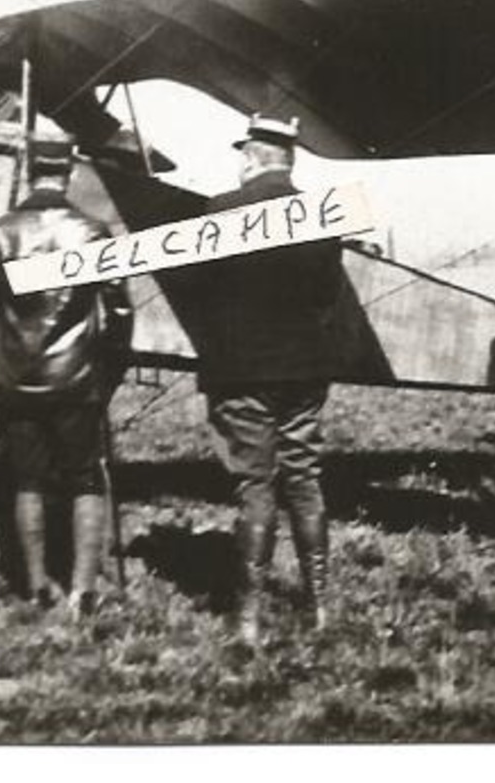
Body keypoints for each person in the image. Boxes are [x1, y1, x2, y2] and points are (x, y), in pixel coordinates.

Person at [196, 114, 346, 641]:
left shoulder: (220, 211)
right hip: (304, 371)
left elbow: (204, 295)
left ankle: (248, 618)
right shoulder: (320, 215)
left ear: (253, 155)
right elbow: (328, 296)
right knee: (304, 479)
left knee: (255, 487)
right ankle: (321, 607)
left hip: (241, 372)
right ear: (290, 158)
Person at [0, 133, 133, 617]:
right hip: (76, 378)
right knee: (86, 480)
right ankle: (84, 590)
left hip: (16, 379)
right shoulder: (93, 231)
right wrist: (111, 369)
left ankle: (37, 585)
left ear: (29, 169)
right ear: (69, 174)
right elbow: (120, 312)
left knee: (28, 481)